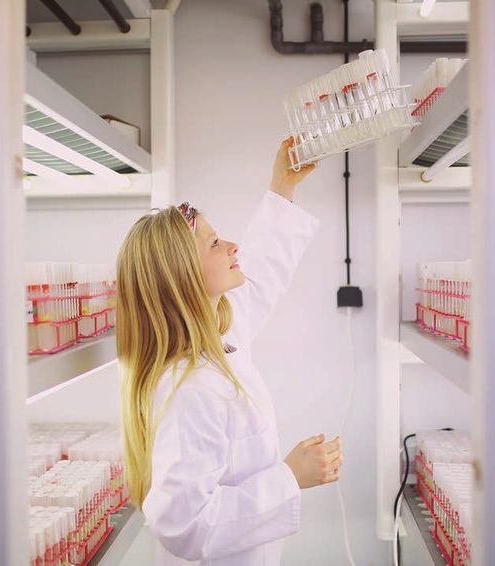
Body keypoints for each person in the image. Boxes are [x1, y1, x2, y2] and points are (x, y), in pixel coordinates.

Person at [116, 138, 343, 565]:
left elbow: (261, 274)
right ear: (182, 275)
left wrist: (283, 186)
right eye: (215, 243)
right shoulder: (189, 387)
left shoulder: (218, 337)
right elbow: (185, 524)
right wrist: (290, 477)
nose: (233, 246)